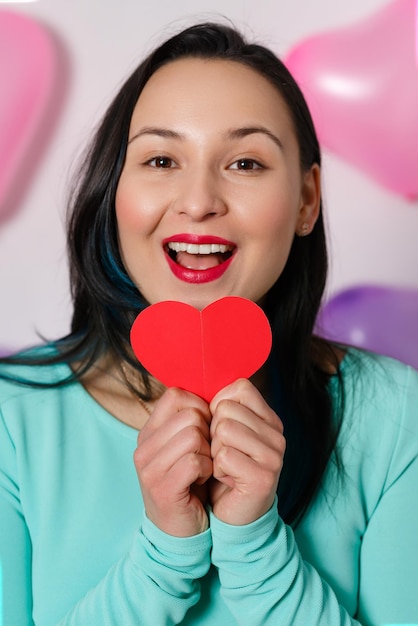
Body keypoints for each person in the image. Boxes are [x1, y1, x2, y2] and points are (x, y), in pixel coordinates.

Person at [0, 21, 417, 626]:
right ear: (115, 192)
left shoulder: (398, 416)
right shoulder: (12, 422)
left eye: (246, 162)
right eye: (162, 159)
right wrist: (165, 554)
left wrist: (255, 545)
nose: (198, 201)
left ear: (306, 201)